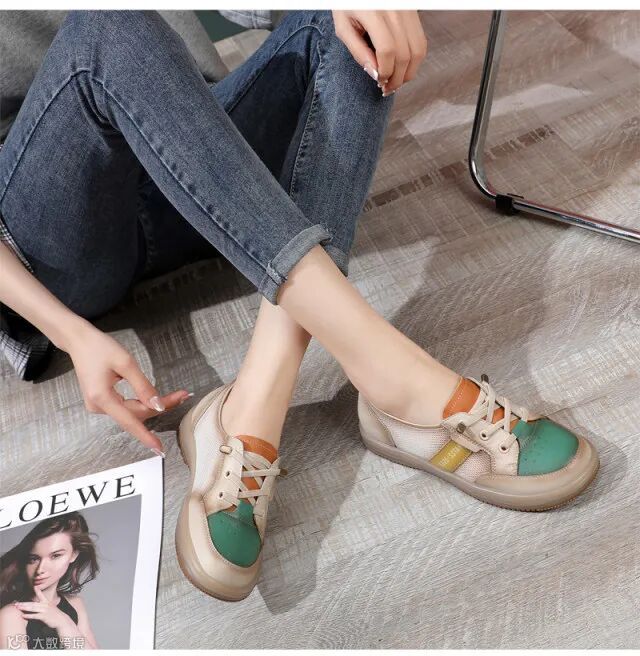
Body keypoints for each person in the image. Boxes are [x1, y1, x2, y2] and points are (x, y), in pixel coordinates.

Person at [0, 10, 599, 602]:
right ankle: (398, 380)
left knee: (347, 26)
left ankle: (252, 407)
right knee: (108, 29)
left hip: (193, 147)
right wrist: (67, 331)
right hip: (59, 227)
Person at [0, 512, 99, 649]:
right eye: (34, 559)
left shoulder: (75, 605)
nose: (40, 569)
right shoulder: (12, 615)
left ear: (74, 554)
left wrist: (64, 624)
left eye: (55, 556)